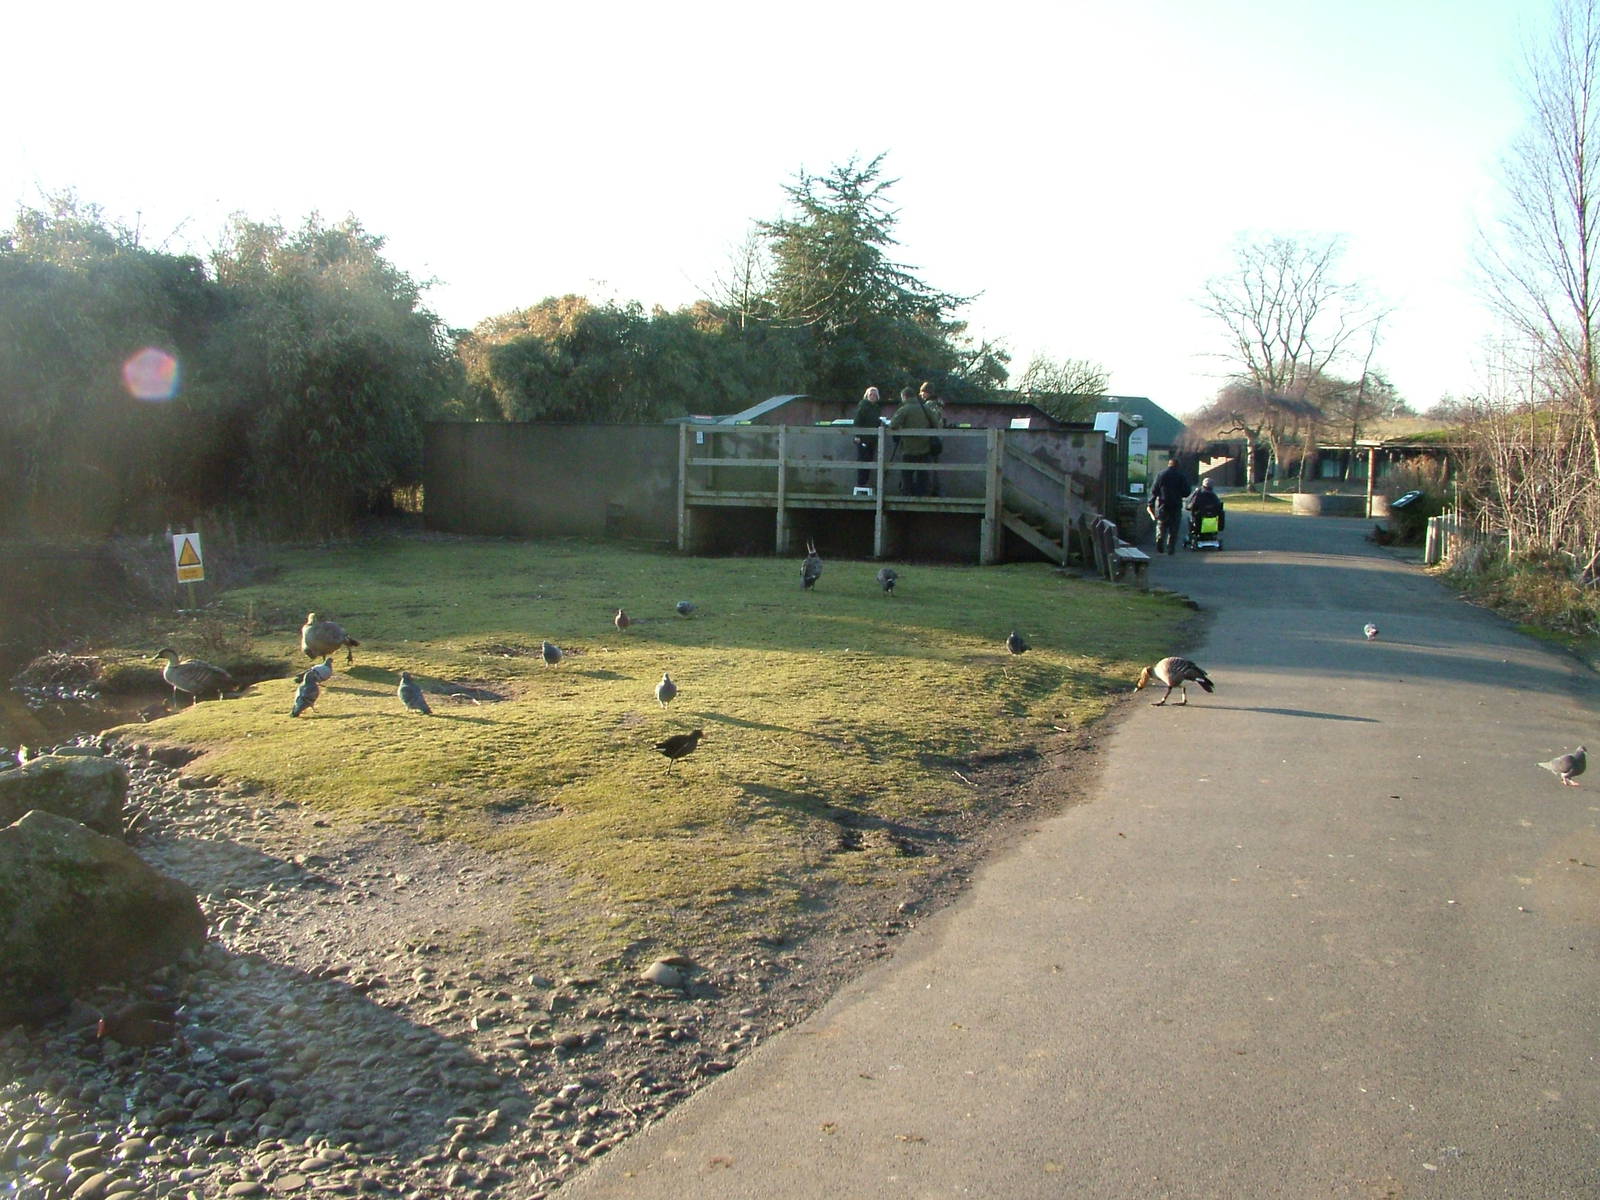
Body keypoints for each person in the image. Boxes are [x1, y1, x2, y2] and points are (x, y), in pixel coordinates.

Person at [888, 385, 935, 496]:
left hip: (908, 448)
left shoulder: (904, 409)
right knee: (923, 475)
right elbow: (936, 424)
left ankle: (907, 496)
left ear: (904, 397)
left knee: (907, 474)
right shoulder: (925, 408)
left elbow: (893, 425)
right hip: (925, 447)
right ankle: (922, 497)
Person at [1147, 455, 1192, 554]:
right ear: (1178, 466)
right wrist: (1180, 493)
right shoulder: (1181, 476)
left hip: (1163, 505)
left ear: (1168, 464)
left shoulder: (1161, 475)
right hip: (1176, 505)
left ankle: (1160, 539)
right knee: (1174, 528)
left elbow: (1154, 491)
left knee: (1161, 525)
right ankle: (1170, 547)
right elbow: (1187, 492)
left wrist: (1151, 503)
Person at [852, 386, 885, 490]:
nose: (873, 396)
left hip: (873, 439)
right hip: (863, 438)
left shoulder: (877, 408)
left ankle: (865, 483)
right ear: (867, 395)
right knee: (863, 460)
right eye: (871, 394)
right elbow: (857, 422)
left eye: (875, 395)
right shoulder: (863, 406)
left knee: (870, 460)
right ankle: (860, 483)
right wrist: (857, 436)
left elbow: (875, 421)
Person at [918, 381, 946, 497]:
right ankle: (936, 489)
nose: (921, 395)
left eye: (923, 392)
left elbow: (926, 421)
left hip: (929, 438)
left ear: (927, 392)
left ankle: (927, 491)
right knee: (935, 465)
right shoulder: (939, 404)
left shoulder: (928, 405)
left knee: (926, 465)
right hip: (939, 438)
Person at [1184, 476, 1225, 546]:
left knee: (1191, 518)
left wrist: (1189, 507)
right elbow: (1219, 508)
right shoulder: (1214, 497)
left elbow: (1190, 506)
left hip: (1199, 522)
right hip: (1212, 523)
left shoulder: (1198, 494)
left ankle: (1194, 535)